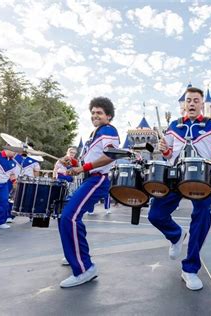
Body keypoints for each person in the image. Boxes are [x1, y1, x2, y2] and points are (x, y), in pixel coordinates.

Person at [149, 87, 211, 290]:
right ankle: (176, 235)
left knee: (202, 218)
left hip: (202, 176)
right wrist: (164, 150)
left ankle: (190, 269)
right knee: (155, 215)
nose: (191, 103)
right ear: (184, 105)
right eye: (188, 100)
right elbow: (168, 154)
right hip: (175, 175)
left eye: (195, 100)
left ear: (202, 103)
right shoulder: (174, 126)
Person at [57, 97, 120, 288]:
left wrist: (83, 168)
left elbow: (110, 156)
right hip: (90, 177)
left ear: (108, 115)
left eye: (99, 112)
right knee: (69, 217)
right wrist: (73, 163)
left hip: (98, 179)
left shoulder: (108, 130)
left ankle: (84, 268)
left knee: (69, 217)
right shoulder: (94, 134)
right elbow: (86, 161)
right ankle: (75, 254)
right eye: (93, 112)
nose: (95, 115)